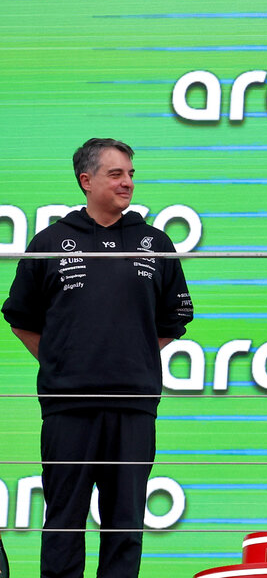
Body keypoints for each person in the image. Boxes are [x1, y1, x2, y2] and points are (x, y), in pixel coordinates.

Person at [3, 138, 193, 578]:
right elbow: (20, 318)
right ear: (86, 181)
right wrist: (63, 361)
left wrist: (129, 356)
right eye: (116, 174)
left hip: (134, 406)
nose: (127, 183)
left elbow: (173, 319)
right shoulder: (51, 241)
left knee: (125, 524)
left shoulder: (154, 242)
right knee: (64, 521)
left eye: (130, 174)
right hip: (68, 406)